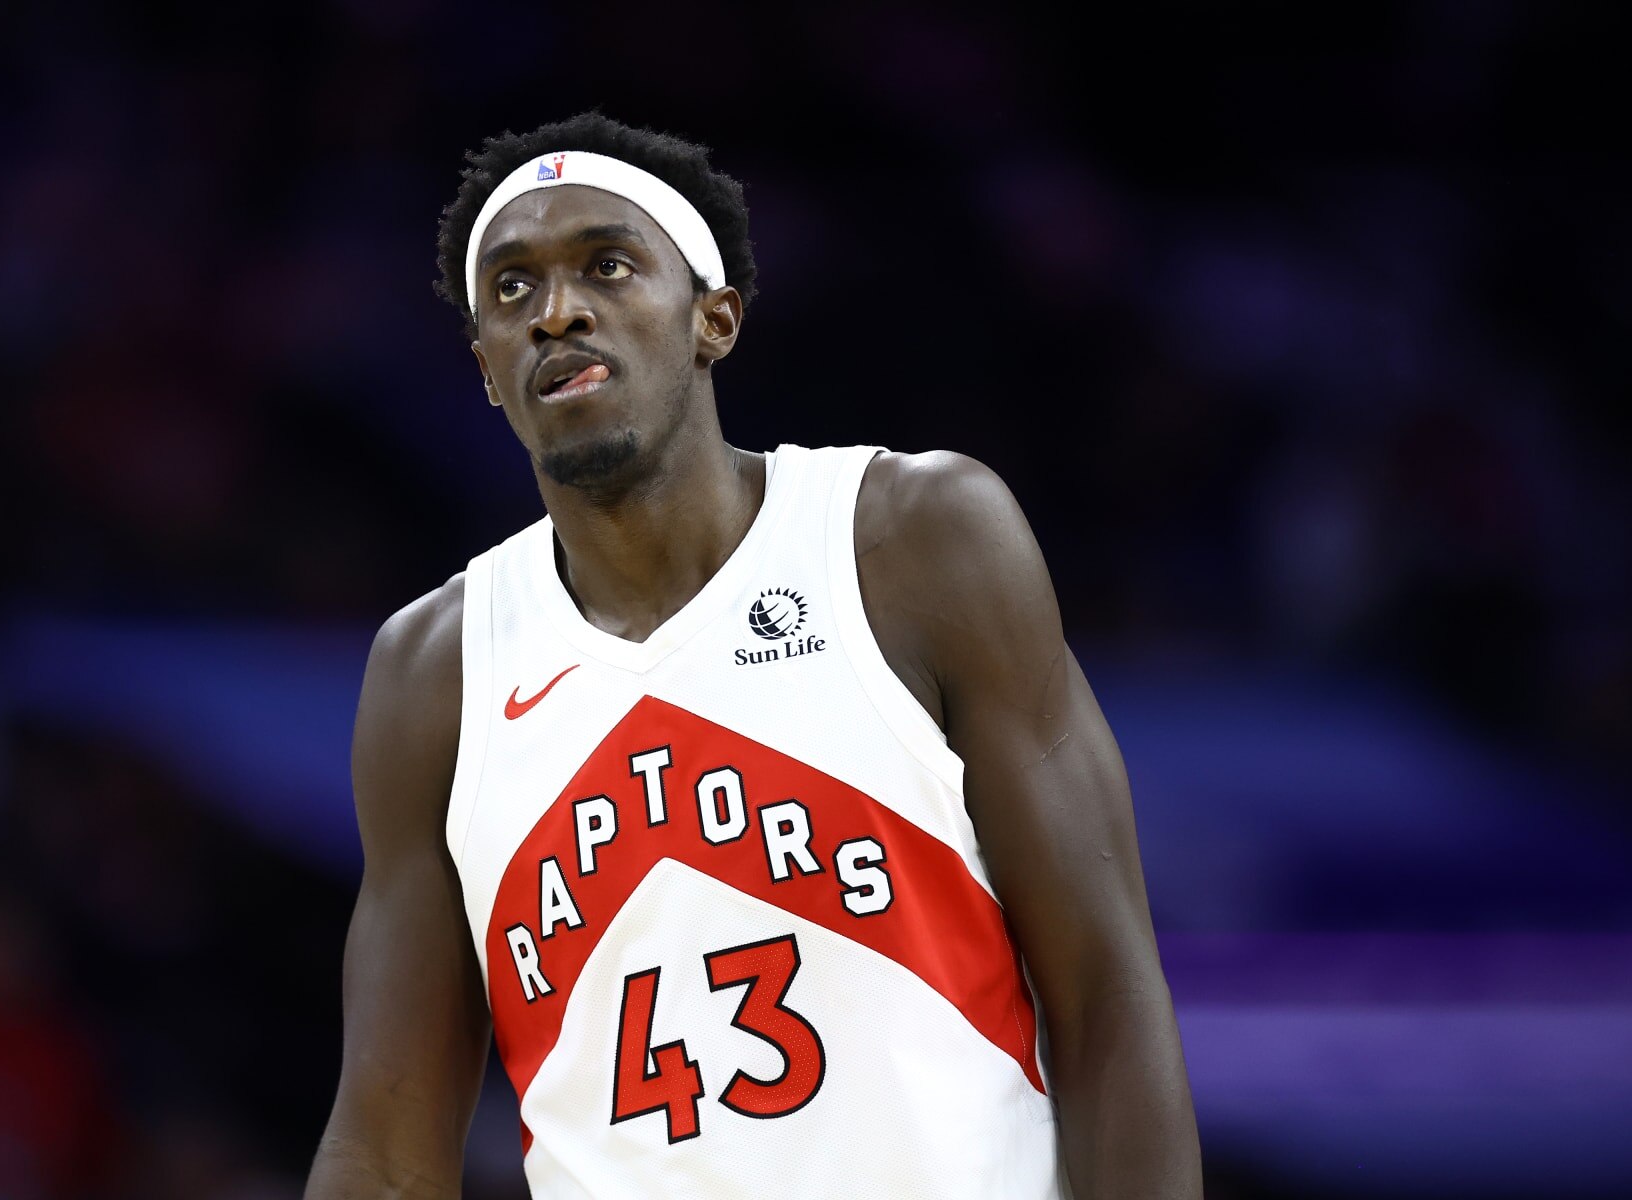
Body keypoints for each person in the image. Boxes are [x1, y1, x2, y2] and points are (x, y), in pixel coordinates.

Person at [305, 113, 1200, 1199]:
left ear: (713, 319)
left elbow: (1107, 993)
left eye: (608, 264)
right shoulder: (433, 671)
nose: (558, 312)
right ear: (489, 372)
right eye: (511, 291)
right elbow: (385, 1146)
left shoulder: (912, 539)